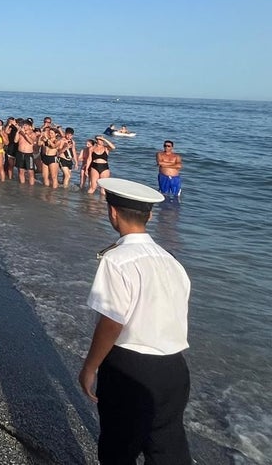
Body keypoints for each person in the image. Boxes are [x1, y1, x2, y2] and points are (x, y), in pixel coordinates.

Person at [79, 177, 192, 465]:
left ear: (112, 213)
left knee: (118, 448)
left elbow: (112, 321)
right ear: (149, 216)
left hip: (131, 367)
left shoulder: (116, 259)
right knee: (167, 449)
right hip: (174, 368)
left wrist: (90, 367)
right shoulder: (172, 261)